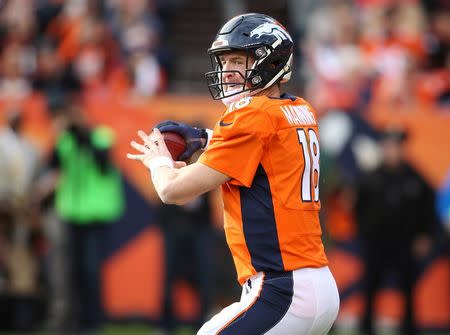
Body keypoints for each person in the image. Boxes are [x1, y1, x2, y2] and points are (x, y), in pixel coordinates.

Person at [128, 13, 339, 335]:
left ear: (271, 61)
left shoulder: (252, 116)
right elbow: (265, 151)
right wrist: (205, 137)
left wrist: (158, 162)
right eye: (224, 62)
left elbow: (174, 192)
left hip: (281, 288)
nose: (227, 72)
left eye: (238, 61)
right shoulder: (298, 109)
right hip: (316, 283)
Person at [355, 127, 437, 335]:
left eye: (397, 147)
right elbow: (359, 208)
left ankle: (409, 328)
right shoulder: (371, 177)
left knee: (408, 287)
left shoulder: (415, 177)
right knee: (371, 285)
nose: (393, 151)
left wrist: (424, 235)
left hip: (405, 241)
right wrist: (365, 234)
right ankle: (367, 326)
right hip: (377, 241)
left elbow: (428, 208)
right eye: (389, 146)